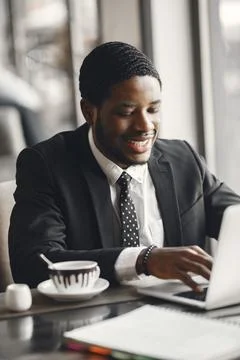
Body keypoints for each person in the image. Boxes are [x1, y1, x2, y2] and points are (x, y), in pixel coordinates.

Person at [9, 41, 240, 290]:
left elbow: (233, 217)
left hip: (182, 312)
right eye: (127, 112)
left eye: (153, 110)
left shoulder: (183, 159)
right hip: (95, 320)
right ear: (89, 111)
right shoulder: (46, 165)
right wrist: (143, 260)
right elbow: (33, 265)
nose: (145, 126)